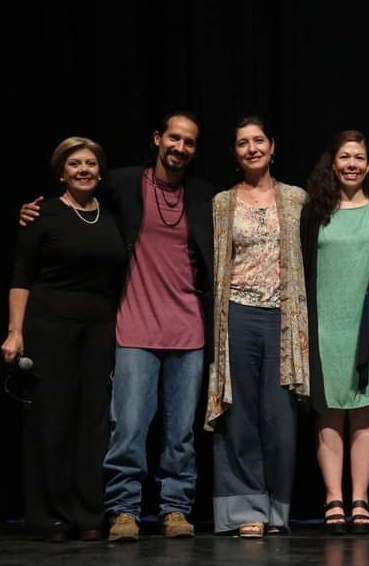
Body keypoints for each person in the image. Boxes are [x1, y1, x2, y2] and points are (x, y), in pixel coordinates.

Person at [19, 112, 215, 542]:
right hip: (134, 328)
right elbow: (76, 192)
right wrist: (33, 210)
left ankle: (175, 509)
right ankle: (123, 509)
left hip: (188, 331)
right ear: (157, 138)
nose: (180, 148)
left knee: (180, 434)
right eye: (174, 138)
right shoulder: (124, 184)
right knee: (127, 428)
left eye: (189, 142)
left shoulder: (203, 196)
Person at [3, 137, 126, 542]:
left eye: (91, 162)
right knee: (51, 420)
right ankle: (48, 516)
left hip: (98, 330)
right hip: (49, 327)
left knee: (92, 423)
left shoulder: (109, 218)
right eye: (75, 163)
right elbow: (21, 275)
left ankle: (88, 514)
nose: (84, 169)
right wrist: (14, 331)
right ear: (61, 172)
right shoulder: (41, 214)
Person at [205, 116, 309, 538]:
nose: (252, 148)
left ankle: (278, 508)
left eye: (258, 140)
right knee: (240, 415)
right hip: (237, 313)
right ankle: (245, 508)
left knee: (280, 417)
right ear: (235, 152)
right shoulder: (221, 203)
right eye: (243, 143)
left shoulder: (296, 198)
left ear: (272, 146)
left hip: (283, 319)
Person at [300, 130, 369, 534]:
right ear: (333, 162)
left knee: (364, 410)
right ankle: (333, 498)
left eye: (359, 157)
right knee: (328, 410)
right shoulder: (314, 212)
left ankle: (360, 497)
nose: (352, 164)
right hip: (324, 322)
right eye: (345, 157)